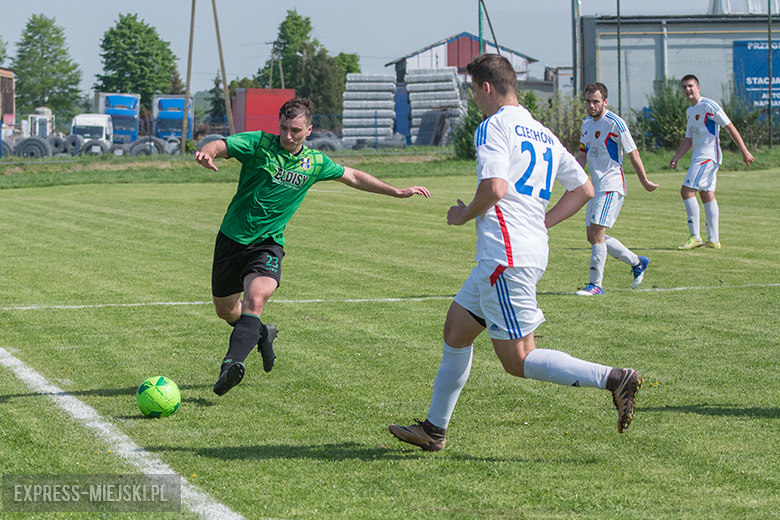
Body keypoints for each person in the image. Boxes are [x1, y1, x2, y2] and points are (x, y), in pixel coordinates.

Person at [389, 55, 643, 452]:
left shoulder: (493, 126)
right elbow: (583, 190)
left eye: (473, 90)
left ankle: (614, 377)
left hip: (504, 257)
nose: (474, 99)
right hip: (520, 251)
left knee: (519, 359)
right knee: (456, 329)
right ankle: (433, 429)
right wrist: (540, 223)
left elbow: (494, 189)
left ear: (486, 87)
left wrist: (460, 215)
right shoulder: (540, 131)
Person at [195, 97, 430, 396]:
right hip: (231, 240)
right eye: (283, 128)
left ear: (309, 130)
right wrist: (206, 152)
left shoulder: (315, 162)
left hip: (267, 244)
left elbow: (353, 175)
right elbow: (222, 145)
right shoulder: (259, 144)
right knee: (227, 311)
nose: (288, 136)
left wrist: (397, 191)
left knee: (255, 301)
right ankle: (262, 333)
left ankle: (231, 365)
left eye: (295, 130)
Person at [575, 82, 658, 296]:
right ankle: (637, 262)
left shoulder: (615, 123)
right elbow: (583, 153)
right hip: (595, 186)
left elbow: (634, 154)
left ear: (605, 101)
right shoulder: (586, 124)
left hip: (612, 185)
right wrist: (572, 175)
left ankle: (596, 285)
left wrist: (644, 181)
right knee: (592, 236)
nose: (591, 105)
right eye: (588, 101)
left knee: (596, 232)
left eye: (596, 101)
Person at [669, 74, 754, 250]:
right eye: (684, 87)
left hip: (707, 157)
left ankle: (695, 237)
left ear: (698, 88)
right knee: (706, 194)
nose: (688, 90)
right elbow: (688, 139)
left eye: (691, 86)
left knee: (686, 191)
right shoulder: (690, 111)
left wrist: (744, 151)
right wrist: (677, 157)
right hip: (700, 157)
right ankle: (714, 240)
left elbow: (729, 127)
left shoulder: (709, 105)